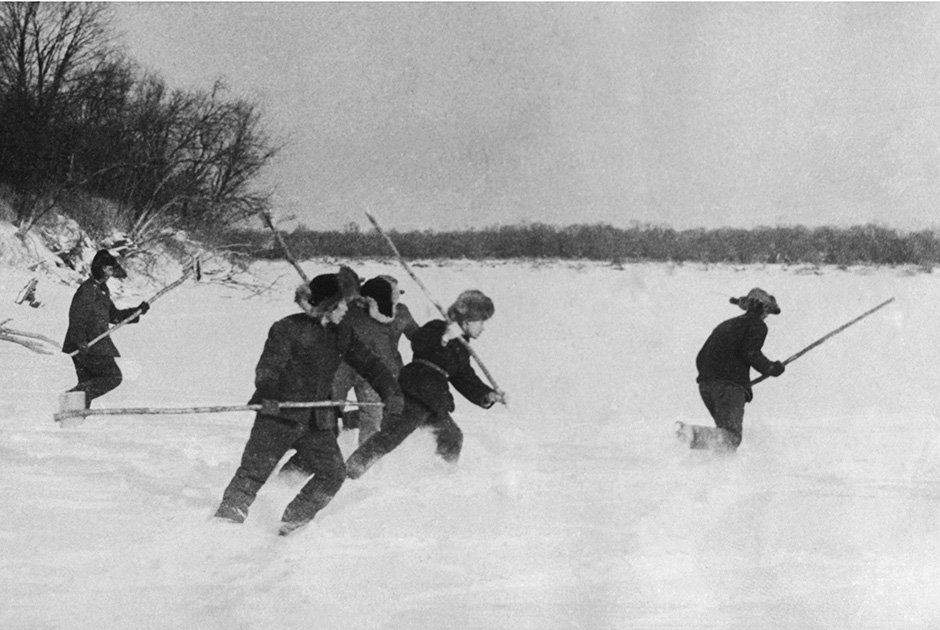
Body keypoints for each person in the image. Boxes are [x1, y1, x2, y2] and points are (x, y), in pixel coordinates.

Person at [213, 271, 403, 536]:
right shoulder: (287, 328)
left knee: (334, 473)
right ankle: (224, 525)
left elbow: (370, 364)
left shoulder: (342, 333)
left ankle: (293, 523)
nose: (346, 309)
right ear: (327, 305)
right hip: (278, 416)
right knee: (252, 474)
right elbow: (268, 369)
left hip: (317, 422)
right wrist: (269, 395)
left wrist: (391, 392)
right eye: (341, 304)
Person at [345, 289, 505, 479]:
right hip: (416, 389)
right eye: (481, 321)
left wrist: (487, 395)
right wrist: (445, 336)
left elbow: (465, 378)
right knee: (393, 434)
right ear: (468, 320)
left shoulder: (463, 347)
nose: (482, 327)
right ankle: (352, 468)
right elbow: (420, 343)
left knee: (452, 436)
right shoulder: (437, 327)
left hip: (435, 399)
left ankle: (443, 476)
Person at [676, 287, 785, 452]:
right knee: (731, 438)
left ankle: (720, 471)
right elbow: (750, 352)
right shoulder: (757, 324)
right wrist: (770, 368)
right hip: (729, 389)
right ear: (763, 309)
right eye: (767, 312)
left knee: (723, 437)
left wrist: (719, 379)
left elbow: (702, 357)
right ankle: (693, 434)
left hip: (706, 387)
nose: (766, 316)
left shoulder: (727, 325)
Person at [330, 274, 420, 444]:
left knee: (373, 416)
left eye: (395, 293)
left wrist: (441, 337)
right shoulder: (352, 309)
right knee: (331, 407)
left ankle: (365, 458)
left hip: (378, 370)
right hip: (345, 366)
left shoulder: (401, 313)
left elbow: (417, 336)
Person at [61, 249, 150, 408]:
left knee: (87, 385)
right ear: (101, 268)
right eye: (109, 269)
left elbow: (113, 315)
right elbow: (76, 317)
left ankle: (73, 419)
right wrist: (81, 341)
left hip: (92, 345)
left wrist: (136, 311)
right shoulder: (87, 290)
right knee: (113, 376)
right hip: (87, 346)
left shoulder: (102, 290)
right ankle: (71, 399)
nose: (110, 274)